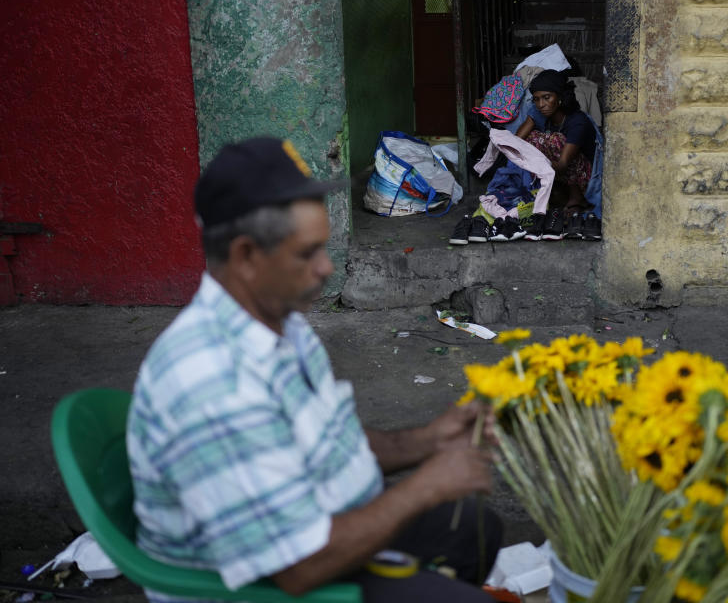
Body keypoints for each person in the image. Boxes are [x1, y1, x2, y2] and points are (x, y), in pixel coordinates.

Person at [126, 137, 501, 603]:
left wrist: (429, 440)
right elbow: (298, 568)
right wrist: (425, 487)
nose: (327, 268)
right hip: (263, 584)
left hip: (315, 527)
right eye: (307, 253)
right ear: (245, 257)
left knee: (471, 528)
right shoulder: (212, 379)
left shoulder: (279, 321)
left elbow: (326, 441)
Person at [515, 69, 599, 239]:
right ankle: (560, 196)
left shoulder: (577, 121)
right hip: (559, 174)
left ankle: (577, 199)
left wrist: (537, 162)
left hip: (586, 177)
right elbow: (516, 143)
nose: (541, 104)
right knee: (532, 139)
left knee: (550, 140)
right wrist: (532, 117)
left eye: (547, 98)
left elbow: (562, 164)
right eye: (537, 99)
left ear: (560, 97)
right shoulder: (543, 116)